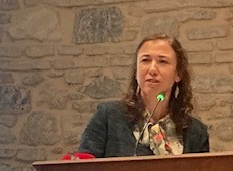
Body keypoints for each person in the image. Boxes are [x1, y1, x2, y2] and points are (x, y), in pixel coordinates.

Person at [78, 34, 209, 157]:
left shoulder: (196, 132)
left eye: (162, 61)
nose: (152, 69)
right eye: (145, 60)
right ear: (136, 72)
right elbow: (83, 170)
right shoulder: (108, 117)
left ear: (178, 74)